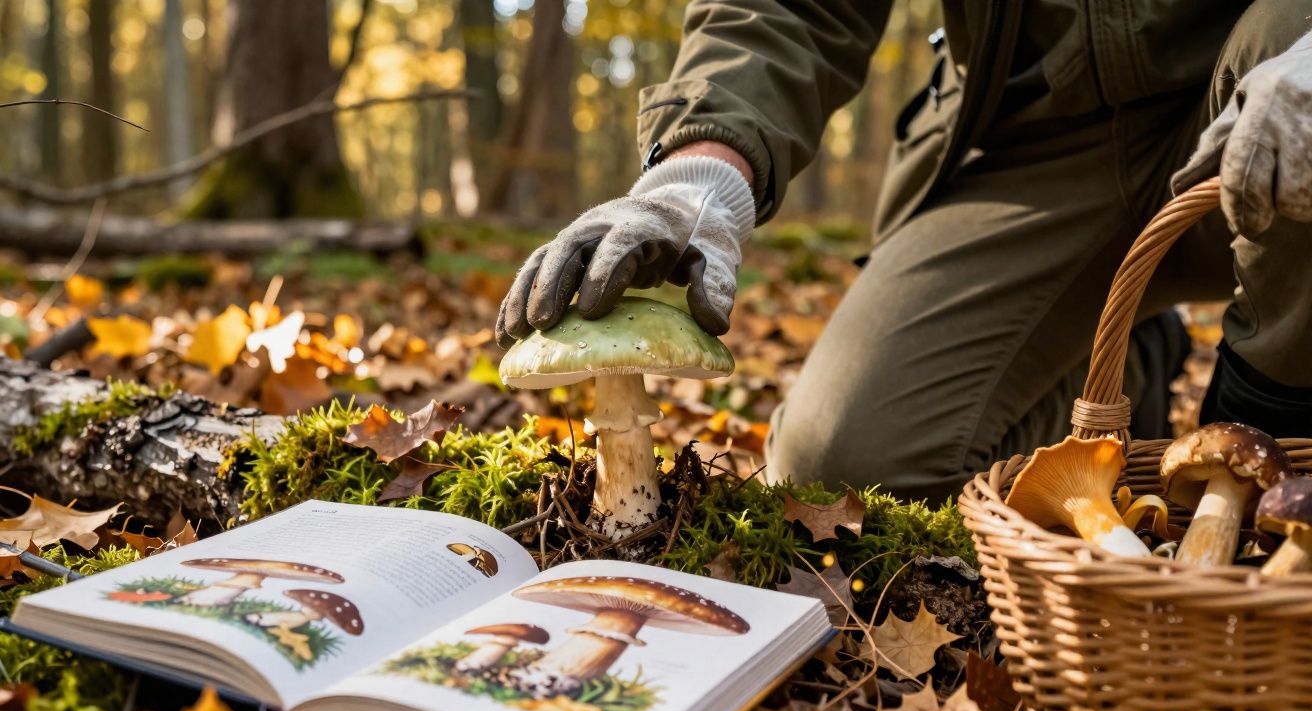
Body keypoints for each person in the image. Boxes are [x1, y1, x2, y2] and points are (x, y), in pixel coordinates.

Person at [497, 1, 1312, 505]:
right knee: (840, 470)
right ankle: (1126, 358)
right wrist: (698, 173)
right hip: (1032, 140)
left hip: (1274, 89)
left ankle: (1277, 444)